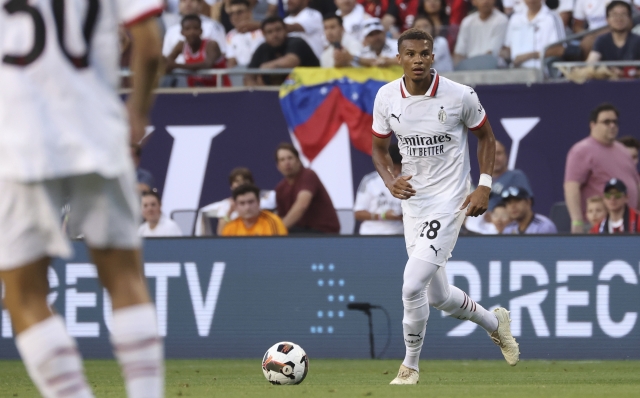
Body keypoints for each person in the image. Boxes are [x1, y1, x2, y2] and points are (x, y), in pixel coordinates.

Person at [0, 1, 164, 397]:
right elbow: (150, 45)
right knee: (125, 278)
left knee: (23, 294)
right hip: (97, 132)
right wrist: (138, 112)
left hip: (22, 141)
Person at [371, 28, 519, 385]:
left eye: (424, 53)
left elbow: (487, 137)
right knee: (437, 295)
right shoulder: (386, 96)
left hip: (450, 201)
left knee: (411, 286)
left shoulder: (459, 96)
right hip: (414, 204)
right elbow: (378, 148)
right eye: (410, 54)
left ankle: (410, 367)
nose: (418, 60)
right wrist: (391, 180)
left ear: (433, 57)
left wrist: (484, 186)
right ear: (399, 58)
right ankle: (494, 323)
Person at [564, 103, 640, 233]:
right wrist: (577, 221)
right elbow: (571, 186)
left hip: (629, 223)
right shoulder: (581, 150)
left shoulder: (622, 150)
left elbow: (634, 183)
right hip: (598, 227)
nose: (612, 125)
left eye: (615, 122)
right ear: (592, 125)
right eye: (606, 122)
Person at [275, 143, 341, 233]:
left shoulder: (308, 175)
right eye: (282, 160)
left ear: (298, 161)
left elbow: (302, 205)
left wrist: (278, 231)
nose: (287, 163)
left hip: (324, 232)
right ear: (278, 166)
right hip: (300, 231)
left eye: (290, 158)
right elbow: (282, 217)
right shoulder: (280, 188)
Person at [195, 167, 276, 235]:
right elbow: (221, 234)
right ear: (231, 186)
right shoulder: (226, 205)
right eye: (237, 181)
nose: (241, 184)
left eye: (244, 181)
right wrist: (229, 213)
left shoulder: (265, 200)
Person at [246, 17, 320, 86]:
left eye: (278, 30)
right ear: (264, 34)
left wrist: (265, 67)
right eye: (269, 32)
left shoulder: (297, 42)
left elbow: (291, 61)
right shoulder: (262, 48)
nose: (274, 34)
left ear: (286, 30)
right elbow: (249, 76)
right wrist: (256, 92)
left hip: (309, 89)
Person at [165, 15, 230, 87]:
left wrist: (175, 66)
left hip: (220, 91)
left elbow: (207, 65)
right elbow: (167, 63)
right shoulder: (181, 45)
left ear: (201, 31)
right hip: (195, 93)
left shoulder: (211, 45)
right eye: (187, 29)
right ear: (182, 32)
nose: (192, 32)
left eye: (195, 28)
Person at [354, 144, 404, 235]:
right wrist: (383, 216)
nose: (397, 173)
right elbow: (358, 213)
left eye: (400, 169)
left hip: (399, 235)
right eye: (394, 168)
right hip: (371, 235)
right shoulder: (370, 181)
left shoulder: (407, 181)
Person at [501, 0, 565, 69]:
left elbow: (559, 50)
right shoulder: (515, 18)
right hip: (516, 71)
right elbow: (508, 47)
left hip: (543, 73)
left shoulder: (551, 18)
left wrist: (530, 56)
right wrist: (504, 54)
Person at [162, 0, 227, 62]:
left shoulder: (213, 26)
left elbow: (222, 54)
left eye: (192, 0)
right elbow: (165, 56)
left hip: (206, 71)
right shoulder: (171, 30)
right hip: (176, 73)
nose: (187, 4)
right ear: (179, 6)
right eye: (184, 1)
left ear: (200, 4)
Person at [453, 0, 508, 68]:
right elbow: (459, 53)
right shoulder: (467, 21)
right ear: (473, 2)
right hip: (468, 68)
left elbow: (492, 52)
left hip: (492, 67)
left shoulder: (501, 20)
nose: (485, 1)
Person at [222, 184, 288, 235]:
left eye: (251, 202)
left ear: (259, 203)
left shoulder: (273, 221)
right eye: (242, 203)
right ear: (236, 206)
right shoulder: (231, 227)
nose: (247, 207)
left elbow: (278, 249)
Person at [489, 140, 533, 211]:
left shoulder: (516, 176)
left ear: (506, 156)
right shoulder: (483, 181)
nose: (495, 158)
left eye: (499, 153)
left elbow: (527, 203)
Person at [225, 0, 265, 68]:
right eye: (231, 14)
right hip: (240, 73)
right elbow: (231, 61)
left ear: (249, 12)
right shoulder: (230, 35)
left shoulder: (263, 31)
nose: (235, 17)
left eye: (239, 12)